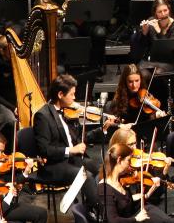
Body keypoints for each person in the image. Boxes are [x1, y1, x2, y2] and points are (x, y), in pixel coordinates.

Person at [33, 74, 115, 207]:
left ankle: (94, 207)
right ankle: (101, 210)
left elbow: (80, 139)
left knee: (102, 169)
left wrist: (102, 129)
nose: (74, 98)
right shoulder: (43, 116)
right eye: (72, 94)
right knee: (85, 176)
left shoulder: (67, 112)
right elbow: (44, 149)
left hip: (71, 160)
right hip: (53, 165)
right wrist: (70, 150)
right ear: (60, 94)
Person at [131, 0, 174, 73]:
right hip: (153, 60)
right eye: (160, 12)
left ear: (169, 10)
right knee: (142, 72)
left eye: (165, 10)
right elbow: (143, 45)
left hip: (170, 61)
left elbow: (169, 50)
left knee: (158, 72)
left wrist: (159, 31)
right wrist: (144, 33)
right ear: (155, 13)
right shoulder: (151, 21)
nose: (163, 14)